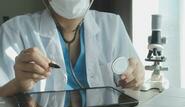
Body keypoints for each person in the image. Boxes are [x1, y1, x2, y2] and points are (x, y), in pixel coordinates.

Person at [0, 0, 145, 97]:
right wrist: (18, 85)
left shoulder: (112, 25)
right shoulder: (14, 31)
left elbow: (132, 81)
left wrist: (135, 78)